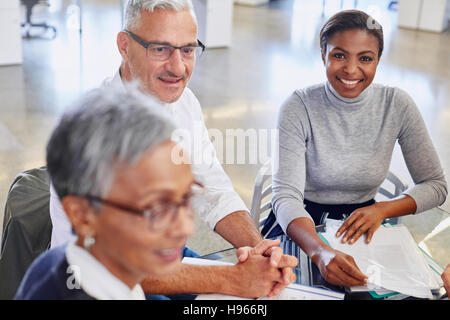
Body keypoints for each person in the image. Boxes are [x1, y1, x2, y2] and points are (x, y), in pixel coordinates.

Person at [48, 0, 297, 298]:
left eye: (188, 49)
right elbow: (112, 264)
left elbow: (213, 189)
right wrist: (231, 279)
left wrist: (261, 251)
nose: (178, 67)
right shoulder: (92, 132)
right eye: (160, 49)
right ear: (124, 46)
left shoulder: (183, 102)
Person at [265, 10, 447, 288]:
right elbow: (286, 195)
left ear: (378, 60)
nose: (351, 69)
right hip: (300, 222)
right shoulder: (298, 106)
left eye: (365, 58)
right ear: (323, 55)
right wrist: (319, 250)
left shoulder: (397, 105)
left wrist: (384, 209)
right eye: (339, 55)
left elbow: (435, 185)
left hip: (363, 224)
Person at [15, 86, 195, 299]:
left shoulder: (61, 262)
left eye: (186, 198)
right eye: (156, 208)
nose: (186, 228)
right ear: (82, 215)